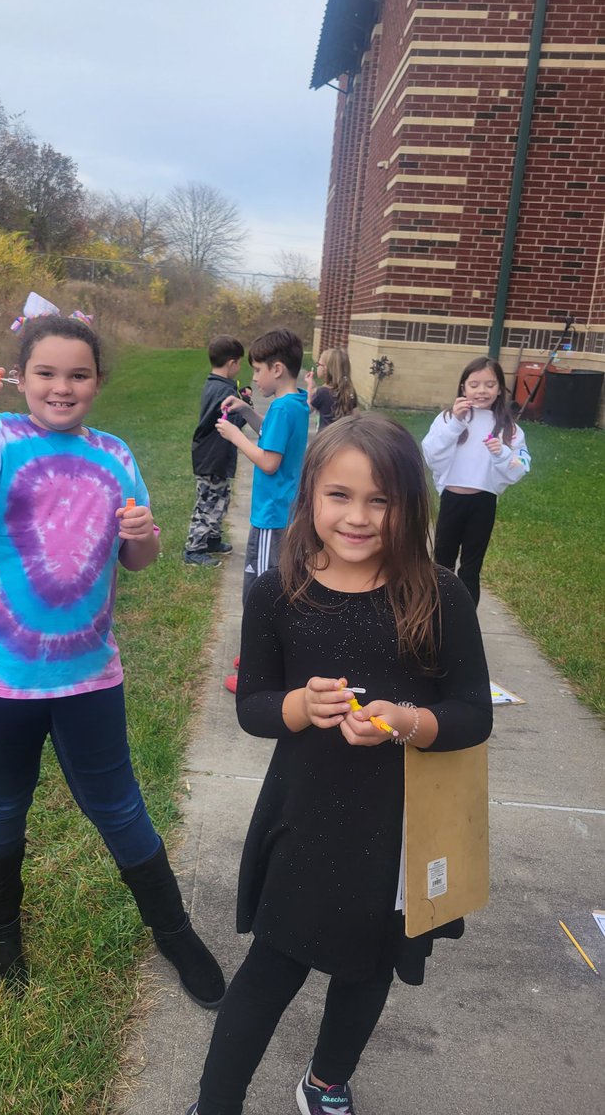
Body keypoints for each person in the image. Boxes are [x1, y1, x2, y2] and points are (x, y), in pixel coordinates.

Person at [0, 311, 225, 1008]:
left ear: (99, 382)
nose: (62, 387)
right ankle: (0, 932)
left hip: (87, 674)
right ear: (18, 379)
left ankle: (173, 933)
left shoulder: (115, 455)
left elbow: (136, 559)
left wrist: (143, 534)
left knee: (119, 805)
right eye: (46, 373)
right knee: (2, 802)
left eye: (78, 374)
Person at [184, 413, 493, 1115]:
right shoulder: (277, 595)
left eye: (380, 500)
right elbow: (254, 706)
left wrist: (409, 723)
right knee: (271, 967)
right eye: (339, 496)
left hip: (401, 827)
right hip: (306, 816)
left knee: (369, 967)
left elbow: (475, 713)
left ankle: (325, 1081)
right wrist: (298, 706)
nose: (357, 517)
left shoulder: (440, 596)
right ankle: (215, 1102)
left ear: (410, 505)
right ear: (310, 497)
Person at [215, 327, 309, 693]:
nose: (253, 377)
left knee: (261, 592)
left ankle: (259, 668)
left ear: (277, 369)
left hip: (273, 517)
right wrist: (247, 412)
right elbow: (272, 436)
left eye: (257, 370)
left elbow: (269, 462)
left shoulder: (285, 407)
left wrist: (235, 436)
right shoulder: (294, 402)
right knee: (266, 588)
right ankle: (261, 651)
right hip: (279, 514)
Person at [422, 355, 530, 607]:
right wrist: (455, 425)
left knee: (471, 568)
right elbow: (431, 453)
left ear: (500, 389)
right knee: (442, 564)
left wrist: (502, 453)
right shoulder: (449, 418)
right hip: (452, 499)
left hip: (483, 502)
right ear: (463, 387)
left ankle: (465, 623)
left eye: (490, 385)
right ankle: (435, 615)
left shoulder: (508, 427)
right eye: (474, 384)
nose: (482, 391)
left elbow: (522, 465)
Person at [184, 335, 253, 566]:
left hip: (214, 454)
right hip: (212, 455)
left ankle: (212, 539)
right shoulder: (224, 391)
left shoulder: (215, 384)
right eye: (239, 363)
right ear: (232, 363)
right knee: (208, 502)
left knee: (220, 498)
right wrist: (246, 406)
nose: (239, 367)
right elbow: (232, 423)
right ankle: (193, 549)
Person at [304, 346, 358, 429]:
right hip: (344, 437)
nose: (317, 366)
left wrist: (310, 388)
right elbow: (356, 416)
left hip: (326, 439)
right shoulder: (349, 390)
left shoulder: (322, 392)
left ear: (325, 369)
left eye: (318, 364)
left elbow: (306, 410)